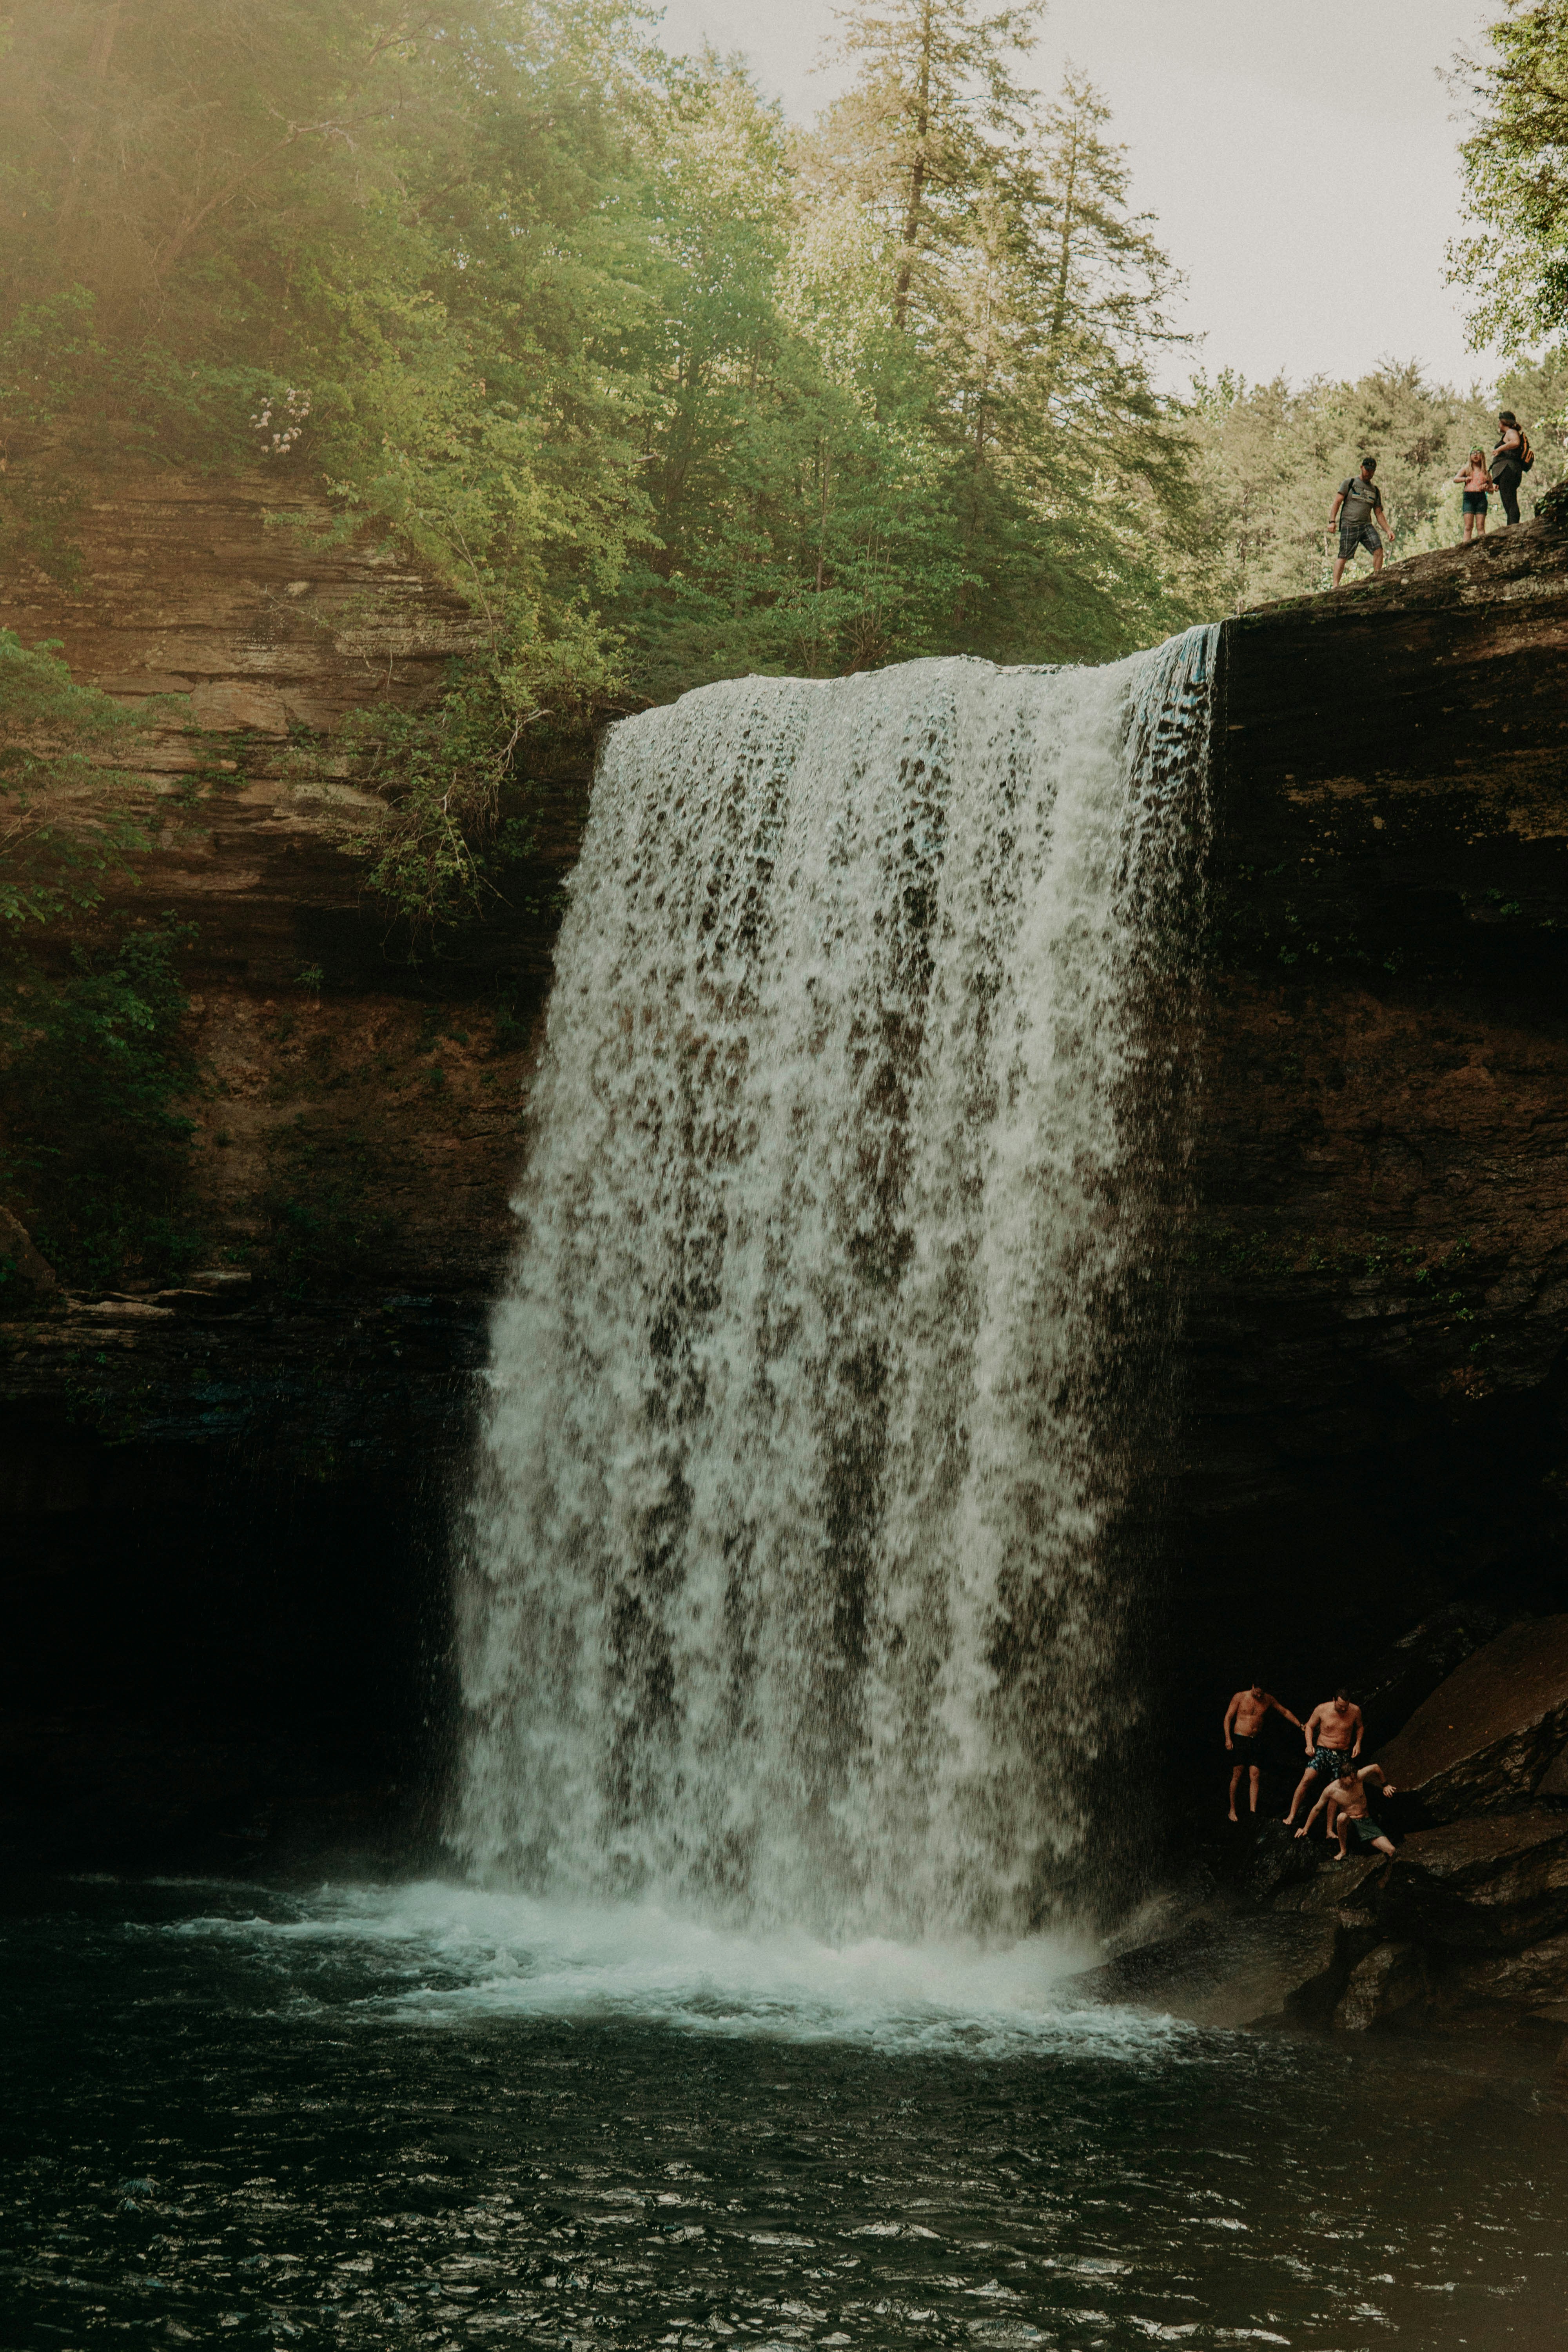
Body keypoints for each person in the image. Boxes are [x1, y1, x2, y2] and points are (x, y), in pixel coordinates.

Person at [1223, 1680, 1304, 1820]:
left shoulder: (1269, 1699)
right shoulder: (1240, 1697)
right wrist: (1228, 1738)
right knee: (1237, 1774)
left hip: (1256, 1740)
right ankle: (1232, 1810)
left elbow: (1284, 1711)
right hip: (1240, 1738)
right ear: (1253, 1686)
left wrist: (1300, 1725)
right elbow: (1228, 1717)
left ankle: (1253, 1812)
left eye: (1262, 1694)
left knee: (1255, 1775)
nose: (1259, 1696)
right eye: (1257, 1693)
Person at [1283, 1688, 1364, 1826]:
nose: (1344, 1709)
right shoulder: (1322, 1709)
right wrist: (1309, 1745)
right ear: (1334, 1700)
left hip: (1343, 1753)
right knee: (1307, 1778)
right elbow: (1310, 1727)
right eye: (1341, 1706)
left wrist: (1358, 1744)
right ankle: (1291, 1816)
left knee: (1338, 1788)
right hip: (1323, 1750)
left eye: (1346, 1706)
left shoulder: (1355, 1711)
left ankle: (1330, 1829)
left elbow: (1360, 1727)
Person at [1294, 1759, 1398, 1862]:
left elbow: (1376, 1767)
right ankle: (1343, 1851)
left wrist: (1385, 1785)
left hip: (1366, 1822)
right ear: (1342, 1778)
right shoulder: (1331, 1790)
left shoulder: (1359, 1777)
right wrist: (1306, 1829)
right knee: (1342, 1817)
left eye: (1355, 1777)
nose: (1355, 1780)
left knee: (1392, 1851)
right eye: (1351, 1779)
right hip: (1350, 1825)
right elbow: (1317, 1808)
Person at [1329, 457, 1394, 586]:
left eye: (1372, 471)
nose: (1368, 473)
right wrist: (1332, 521)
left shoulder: (1375, 491)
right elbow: (1337, 502)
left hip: (1366, 526)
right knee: (1343, 555)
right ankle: (1335, 586)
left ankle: (1377, 580)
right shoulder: (1350, 483)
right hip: (1350, 524)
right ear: (1361, 468)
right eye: (1367, 470)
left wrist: (1388, 530)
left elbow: (1379, 513)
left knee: (1379, 550)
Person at [1488, 410, 1532, 526]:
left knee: (1511, 501)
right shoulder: (1509, 433)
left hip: (1509, 470)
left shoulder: (1511, 432)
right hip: (1508, 471)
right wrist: (1497, 480)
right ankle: (1511, 527)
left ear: (1504, 422)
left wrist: (1500, 449)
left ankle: (1514, 528)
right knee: (1508, 501)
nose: (1498, 424)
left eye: (1500, 422)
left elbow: (1516, 442)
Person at [1454, 450, 1494, 543]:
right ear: (1470, 456)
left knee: (1480, 526)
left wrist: (1487, 488)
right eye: (1473, 453)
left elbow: (1492, 490)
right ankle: (1466, 546)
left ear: (1482, 456)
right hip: (1469, 497)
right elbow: (1456, 479)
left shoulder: (1486, 473)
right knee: (1468, 526)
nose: (1476, 455)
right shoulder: (1467, 469)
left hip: (1481, 498)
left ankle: (1484, 546)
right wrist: (1465, 479)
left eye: (1478, 453)